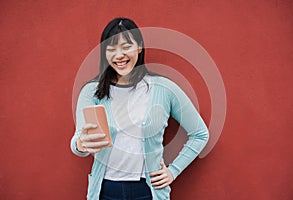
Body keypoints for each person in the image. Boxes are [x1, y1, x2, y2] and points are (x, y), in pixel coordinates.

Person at [70, 17, 209, 200]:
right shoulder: (92, 91)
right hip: (104, 190)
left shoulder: (163, 88)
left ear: (139, 47)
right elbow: (78, 143)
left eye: (126, 47)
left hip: (148, 191)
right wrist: (81, 144)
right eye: (111, 49)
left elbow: (200, 134)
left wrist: (173, 171)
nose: (119, 55)